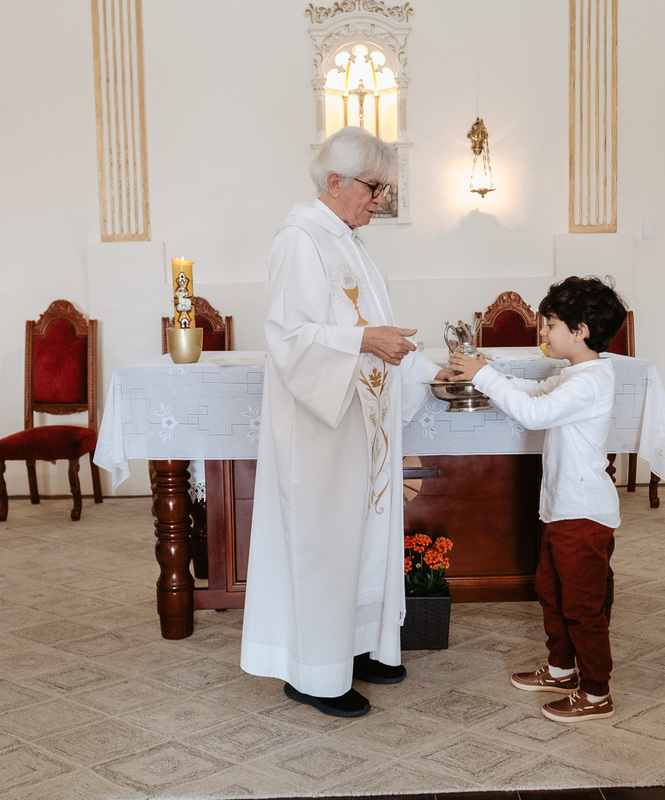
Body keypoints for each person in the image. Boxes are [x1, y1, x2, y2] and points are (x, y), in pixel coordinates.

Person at [240, 126, 454, 718]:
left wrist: (429, 370)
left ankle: (358, 647)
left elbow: (379, 334)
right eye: (373, 187)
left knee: (361, 540)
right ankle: (314, 673)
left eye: (384, 188)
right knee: (324, 544)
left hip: (362, 426)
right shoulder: (300, 239)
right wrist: (364, 341)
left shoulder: (352, 243)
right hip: (320, 429)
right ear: (334, 182)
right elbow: (289, 337)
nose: (380, 199)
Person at [448, 276, 626, 723]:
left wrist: (484, 375)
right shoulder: (577, 375)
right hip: (562, 510)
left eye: (550, 323)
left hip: (583, 514)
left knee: (582, 607)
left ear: (580, 330)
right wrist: (483, 374)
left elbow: (534, 413)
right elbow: (534, 393)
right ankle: (562, 669)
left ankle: (597, 692)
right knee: (551, 591)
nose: (542, 331)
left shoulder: (592, 381)